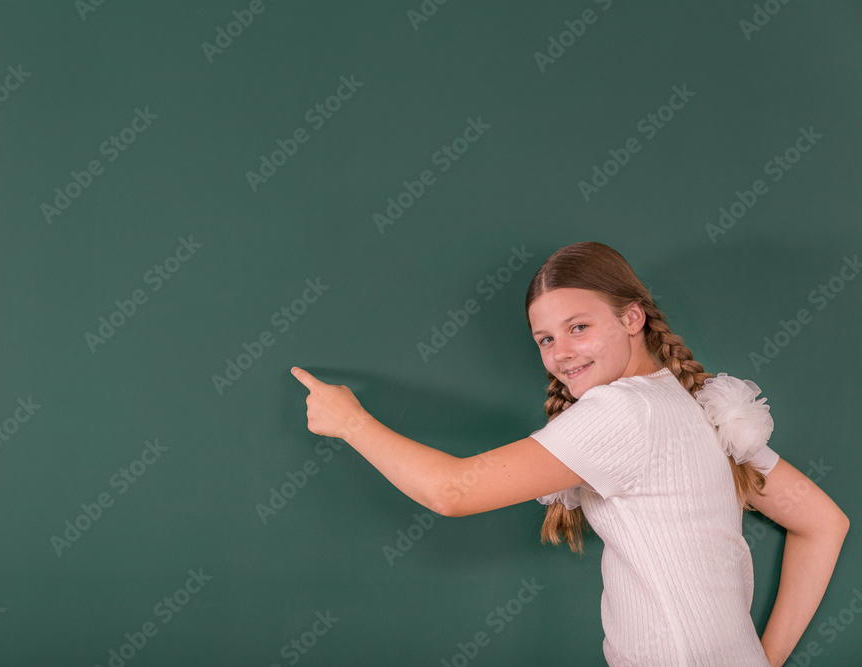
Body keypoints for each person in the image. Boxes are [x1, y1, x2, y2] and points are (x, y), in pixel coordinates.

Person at [290, 241, 849, 666]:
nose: (561, 352)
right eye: (545, 339)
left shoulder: (625, 412)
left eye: (578, 327)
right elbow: (825, 522)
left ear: (632, 318)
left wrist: (351, 422)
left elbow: (452, 492)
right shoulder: (689, 407)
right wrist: (763, 660)